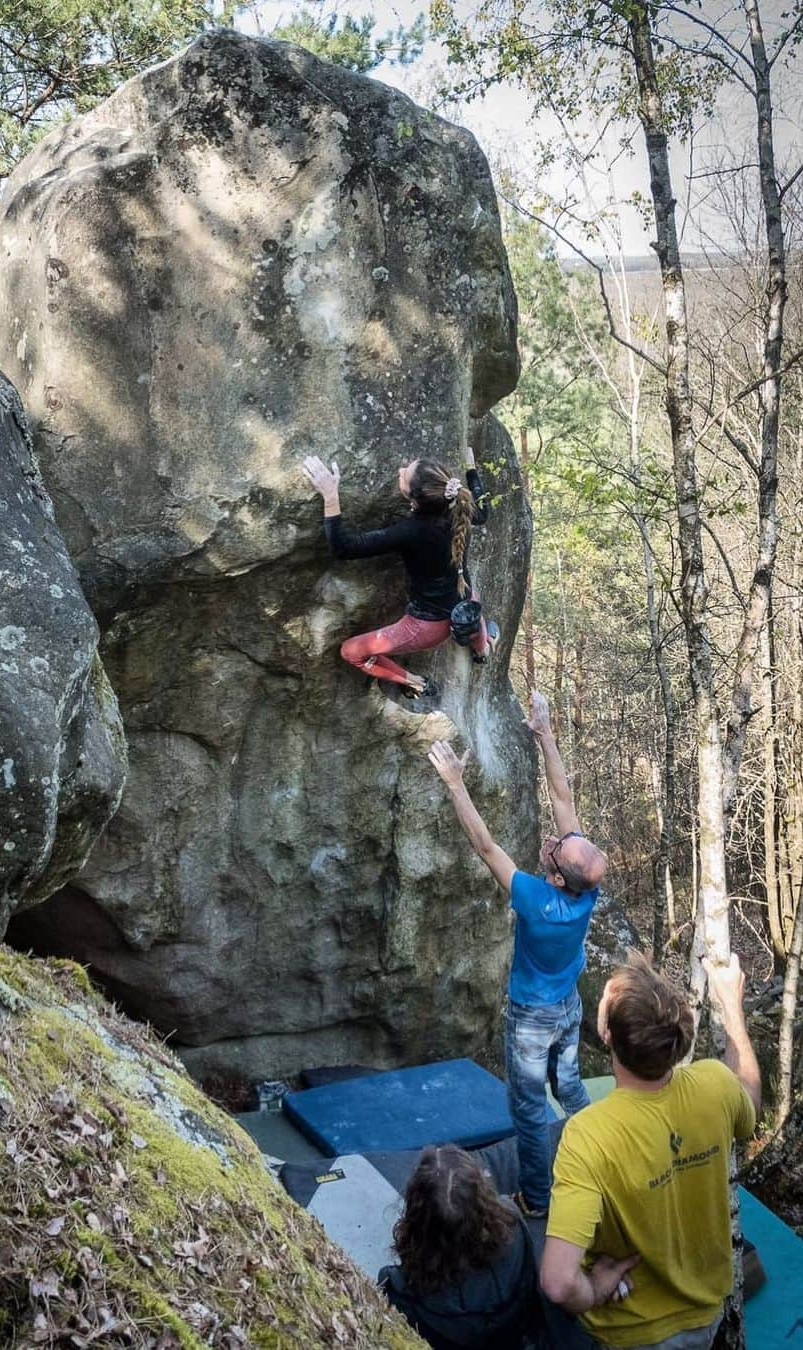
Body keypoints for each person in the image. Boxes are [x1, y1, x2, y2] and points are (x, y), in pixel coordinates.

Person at [428, 691, 607, 1219]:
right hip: (567, 1007)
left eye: (555, 848)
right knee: (569, 1084)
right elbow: (564, 798)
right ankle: (594, 1150)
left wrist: (456, 784)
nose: (555, 838)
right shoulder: (585, 889)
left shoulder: (535, 899)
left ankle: (538, 1198)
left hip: (532, 1017)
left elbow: (485, 846)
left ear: (555, 875)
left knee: (529, 1110)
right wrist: (546, 735)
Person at [540, 951, 760, 1350]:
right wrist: (732, 1008)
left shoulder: (588, 1136)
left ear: (607, 1035)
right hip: (705, 1318)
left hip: (631, 1333)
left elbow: (558, 1282)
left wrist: (592, 1288)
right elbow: (748, 1099)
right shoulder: (714, 1085)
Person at [301, 442, 496, 704]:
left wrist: (331, 495)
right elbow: (483, 511)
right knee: (473, 620)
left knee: (351, 651)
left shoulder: (410, 531)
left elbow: (343, 548)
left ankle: (414, 682)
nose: (400, 470)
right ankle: (483, 649)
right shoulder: (460, 511)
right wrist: (471, 470)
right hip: (468, 603)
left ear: (414, 498)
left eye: (405, 474)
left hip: (428, 627)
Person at [378, 1143, 541, 1349]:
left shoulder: (400, 1287)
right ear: (482, 1199)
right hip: (512, 1338)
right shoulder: (513, 1223)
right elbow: (530, 1287)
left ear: (417, 1215)